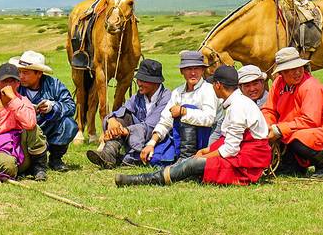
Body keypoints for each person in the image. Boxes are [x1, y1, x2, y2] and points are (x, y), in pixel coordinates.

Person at [115, 65, 271, 187]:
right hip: (242, 154)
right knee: (194, 162)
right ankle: (174, 169)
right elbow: (228, 139)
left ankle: (142, 179)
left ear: (217, 85)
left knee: (194, 163)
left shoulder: (238, 106)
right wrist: (207, 150)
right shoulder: (235, 103)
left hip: (247, 163)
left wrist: (203, 157)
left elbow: (231, 149)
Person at [261, 47, 323, 178]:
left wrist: (278, 130)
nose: (297, 72)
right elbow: (269, 109)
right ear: (282, 73)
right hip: (293, 130)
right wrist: (267, 126)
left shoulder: (311, 86)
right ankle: (295, 166)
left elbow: (310, 121)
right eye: (291, 69)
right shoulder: (278, 83)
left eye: (299, 67)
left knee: (298, 138)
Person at [139, 51, 221, 166]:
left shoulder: (208, 90)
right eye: (188, 69)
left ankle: (187, 160)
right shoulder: (177, 92)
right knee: (154, 159)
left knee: (187, 107)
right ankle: (181, 158)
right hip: (181, 138)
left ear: (203, 70)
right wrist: (151, 143)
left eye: (196, 69)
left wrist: (183, 111)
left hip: (207, 139)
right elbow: (166, 120)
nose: (193, 73)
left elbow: (209, 119)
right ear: (182, 71)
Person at [86, 59, 171, 168]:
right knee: (122, 117)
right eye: (139, 79)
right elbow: (123, 110)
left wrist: (126, 131)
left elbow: (151, 125)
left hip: (156, 139)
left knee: (144, 158)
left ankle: (116, 159)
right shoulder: (139, 96)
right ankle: (109, 153)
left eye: (143, 80)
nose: (139, 83)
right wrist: (112, 120)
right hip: (136, 137)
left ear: (156, 82)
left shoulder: (166, 97)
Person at [10, 50, 78, 172]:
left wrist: (53, 107)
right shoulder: (13, 84)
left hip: (48, 127)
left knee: (68, 123)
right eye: (19, 72)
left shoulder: (54, 85)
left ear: (39, 73)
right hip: (22, 131)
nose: (20, 76)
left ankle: (55, 159)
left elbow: (71, 106)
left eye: (25, 73)